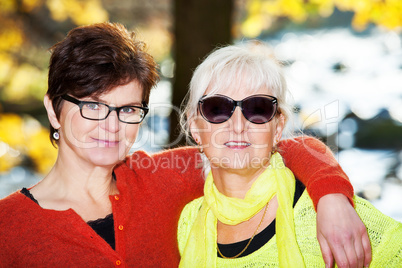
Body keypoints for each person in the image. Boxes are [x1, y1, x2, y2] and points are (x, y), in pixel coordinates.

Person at [0, 23, 368, 267]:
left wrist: (332, 196)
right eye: (93, 105)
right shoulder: (8, 227)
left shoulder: (162, 177)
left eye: (127, 108)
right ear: (53, 108)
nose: (111, 125)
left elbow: (266, 145)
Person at [177, 41, 402, 267]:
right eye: (217, 109)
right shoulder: (188, 222)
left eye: (258, 109)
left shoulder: (332, 219)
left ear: (277, 127)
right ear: (194, 126)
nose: (238, 125)